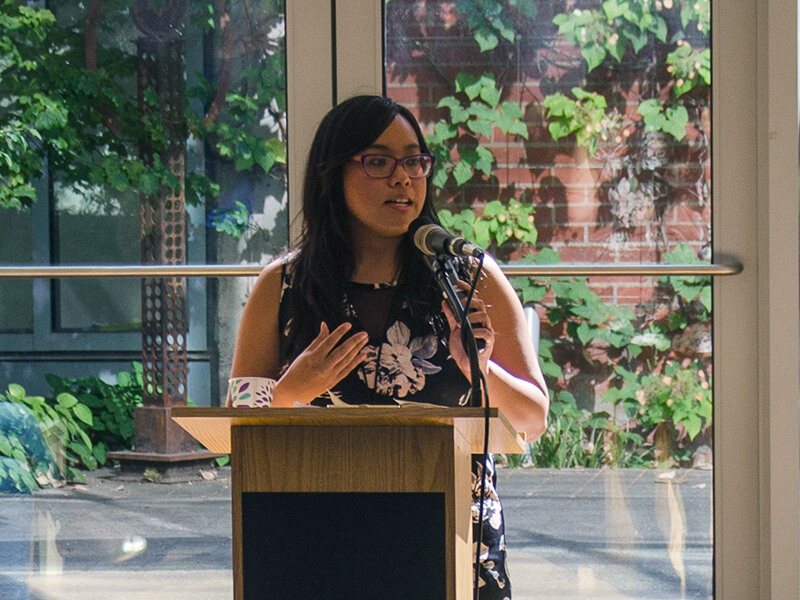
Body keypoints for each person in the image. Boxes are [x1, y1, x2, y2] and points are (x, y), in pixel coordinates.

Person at [228, 95, 549, 598]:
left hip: (452, 548)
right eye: (378, 162)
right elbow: (235, 431)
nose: (403, 178)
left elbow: (533, 419)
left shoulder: (471, 278)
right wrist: (290, 393)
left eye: (415, 162)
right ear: (332, 174)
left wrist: (481, 369)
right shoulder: (284, 286)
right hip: (315, 541)